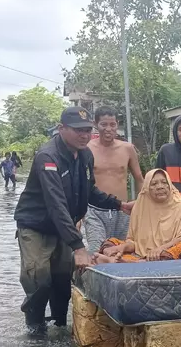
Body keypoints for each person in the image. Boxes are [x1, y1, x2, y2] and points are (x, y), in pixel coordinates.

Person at [13, 107, 134, 333]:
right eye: (78, 130)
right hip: (36, 226)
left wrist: (120, 205)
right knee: (38, 277)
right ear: (61, 129)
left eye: (87, 130)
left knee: (62, 279)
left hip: (63, 226)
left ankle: (59, 326)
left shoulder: (85, 155)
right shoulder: (47, 158)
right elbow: (55, 204)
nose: (84, 135)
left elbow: (89, 190)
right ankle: (35, 328)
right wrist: (78, 247)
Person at [93, 169, 181, 263]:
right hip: (141, 255)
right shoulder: (140, 206)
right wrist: (122, 248)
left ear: (170, 185)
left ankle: (127, 262)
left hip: (169, 252)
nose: (160, 186)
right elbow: (134, 243)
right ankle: (118, 258)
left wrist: (160, 249)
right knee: (109, 244)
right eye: (154, 184)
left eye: (164, 183)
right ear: (147, 188)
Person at [85, 107, 144, 254]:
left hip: (123, 210)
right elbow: (81, 184)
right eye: (103, 125)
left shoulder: (127, 148)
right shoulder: (87, 149)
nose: (108, 129)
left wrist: (141, 204)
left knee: (123, 253)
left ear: (117, 124)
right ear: (95, 125)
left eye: (112, 125)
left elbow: (139, 178)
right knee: (96, 253)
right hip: (95, 211)